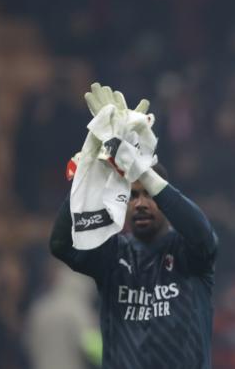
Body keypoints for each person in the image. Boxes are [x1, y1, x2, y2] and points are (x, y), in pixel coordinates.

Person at [50, 84, 218, 369]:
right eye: (133, 195)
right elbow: (60, 245)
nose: (141, 203)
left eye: (150, 195)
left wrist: (141, 170)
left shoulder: (189, 253)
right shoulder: (113, 254)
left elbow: (203, 235)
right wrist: (87, 169)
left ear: (164, 199)